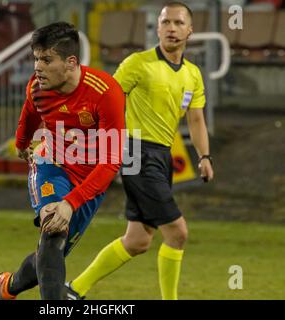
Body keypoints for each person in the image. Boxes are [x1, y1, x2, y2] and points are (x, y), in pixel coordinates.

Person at [65, 2, 214, 300]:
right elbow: (106, 100)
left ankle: (73, 290)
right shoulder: (138, 63)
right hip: (134, 152)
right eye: (166, 22)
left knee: (137, 241)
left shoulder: (193, 75)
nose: (171, 28)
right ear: (157, 28)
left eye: (178, 23)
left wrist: (204, 156)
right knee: (177, 232)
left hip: (162, 156)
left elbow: (196, 119)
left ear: (190, 31)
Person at [0, 22, 125, 300]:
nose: (37, 67)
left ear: (71, 62)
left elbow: (112, 162)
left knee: (49, 254)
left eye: (46, 59)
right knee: (54, 231)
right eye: (35, 58)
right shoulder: (38, 86)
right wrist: (21, 143)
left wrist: (72, 202)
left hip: (90, 183)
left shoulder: (105, 93)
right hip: (51, 165)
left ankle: (9, 287)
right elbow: (30, 112)